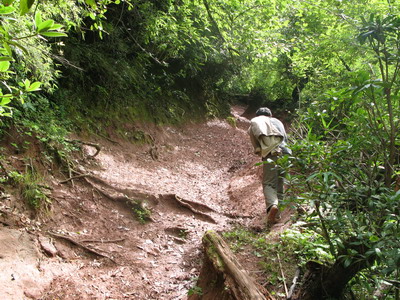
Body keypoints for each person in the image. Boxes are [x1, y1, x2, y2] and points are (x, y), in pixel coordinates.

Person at [248, 107, 291, 225]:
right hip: (286, 153)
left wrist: (260, 150)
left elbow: (256, 145)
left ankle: (273, 205)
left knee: (269, 183)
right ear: (270, 115)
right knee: (280, 184)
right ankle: (277, 217)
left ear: (258, 115)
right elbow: (285, 138)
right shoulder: (278, 122)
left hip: (272, 154)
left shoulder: (255, 122)